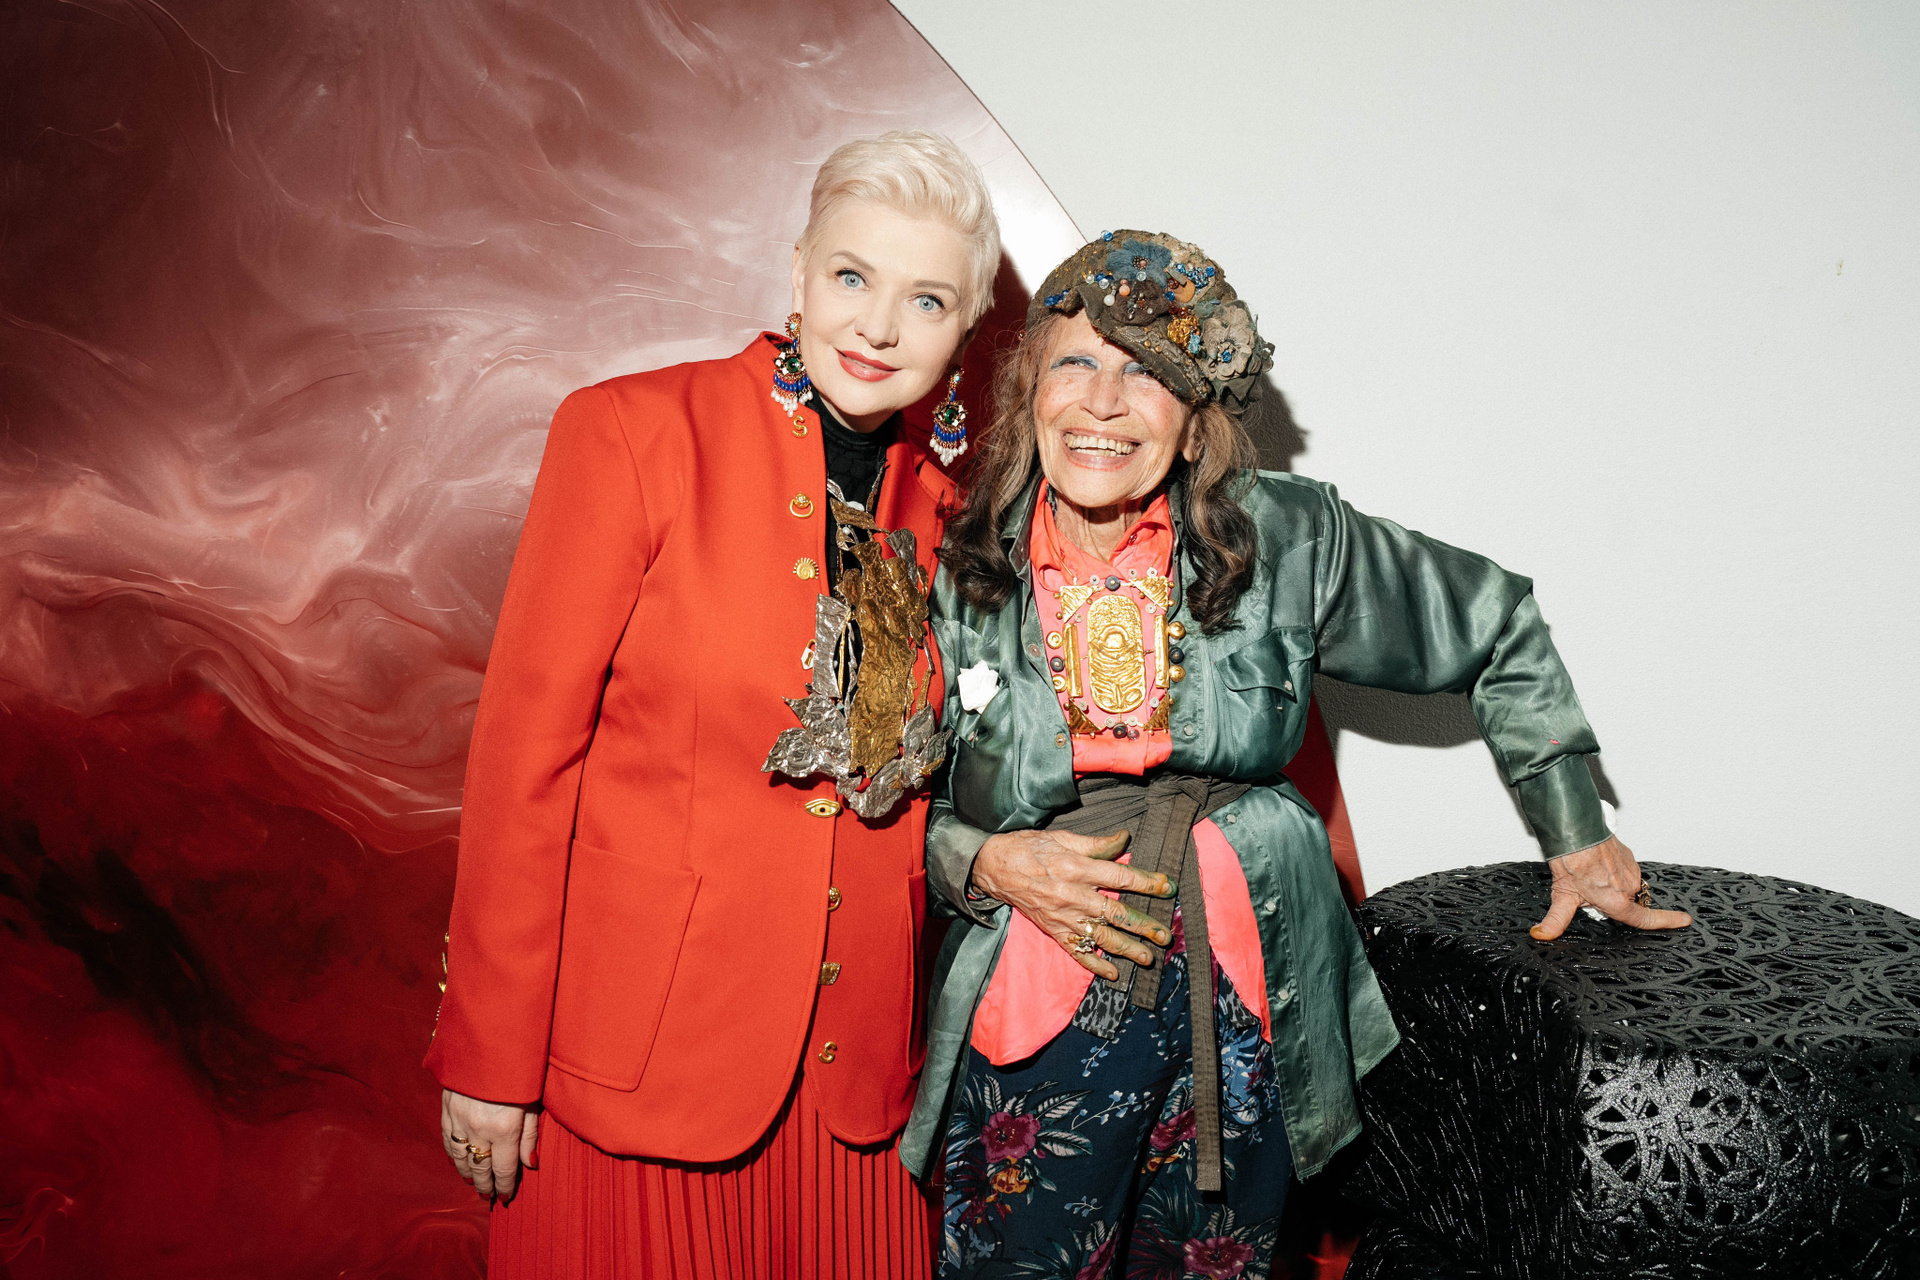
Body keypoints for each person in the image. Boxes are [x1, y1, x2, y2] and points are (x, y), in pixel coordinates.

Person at [901, 231, 1691, 1275]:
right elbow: (887, 812)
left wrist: (1574, 831)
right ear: (1029, 389)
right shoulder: (954, 558)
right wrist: (985, 860)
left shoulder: (1290, 538)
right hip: (1039, 999)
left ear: (1196, 421)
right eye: (1075, 362)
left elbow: (1493, 619)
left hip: (1251, 991)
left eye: (1148, 373)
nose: (1102, 402)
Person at [425, 131, 1000, 1276]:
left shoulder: (947, 510)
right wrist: (489, 1053)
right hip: (642, 1062)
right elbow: (522, 762)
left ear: (964, 331)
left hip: (854, 1092)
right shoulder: (632, 432)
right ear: (798, 274)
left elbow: (907, 780)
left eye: (926, 299)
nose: (879, 326)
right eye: (852, 276)